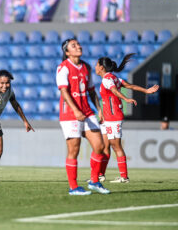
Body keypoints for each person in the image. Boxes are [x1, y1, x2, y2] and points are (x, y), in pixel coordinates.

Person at [56, 38, 110, 195]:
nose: (78, 46)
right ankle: (73, 187)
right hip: (70, 113)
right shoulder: (63, 68)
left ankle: (94, 181)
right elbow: (64, 92)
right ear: (67, 52)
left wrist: (99, 109)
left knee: (100, 146)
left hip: (87, 111)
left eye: (78, 44)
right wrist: (76, 110)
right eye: (74, 45)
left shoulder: (86, 67)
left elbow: (92, 91)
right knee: (74, 150)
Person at [95, 54, 159, 183]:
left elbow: (114, 91)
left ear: (101, 67)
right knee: (104, 146)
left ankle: (124, 177)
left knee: (116, 146)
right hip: (108, 117)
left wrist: (125, 99)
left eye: (96, 65)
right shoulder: (115, 78)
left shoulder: (107, 80)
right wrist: (146, 91)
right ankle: (100, 175)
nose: (95, 67)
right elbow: (130, 86)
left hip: (113, 117)